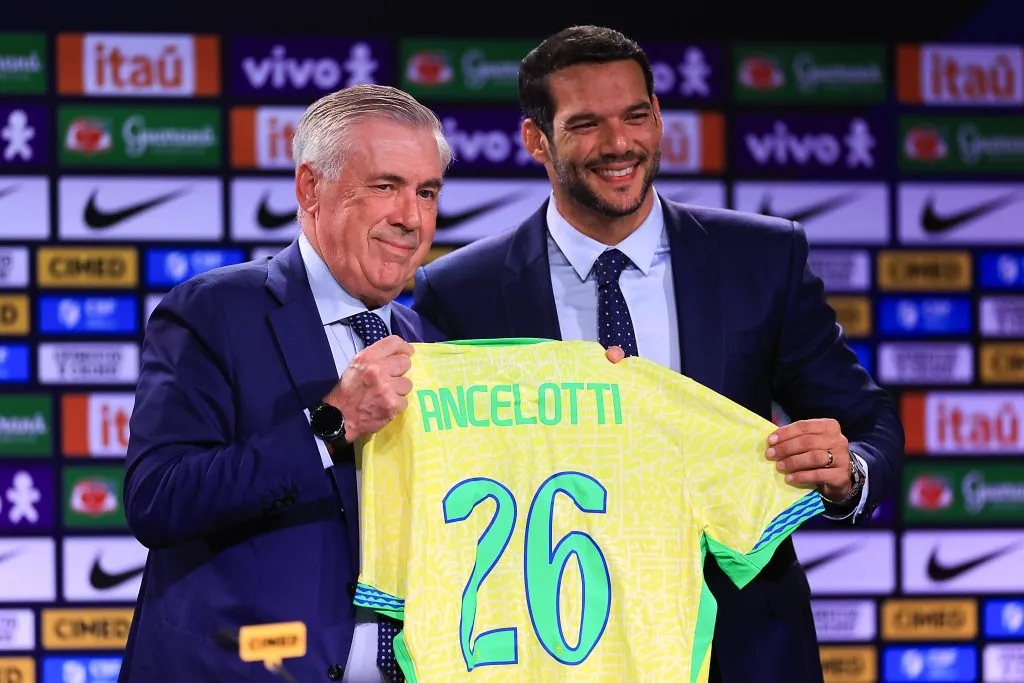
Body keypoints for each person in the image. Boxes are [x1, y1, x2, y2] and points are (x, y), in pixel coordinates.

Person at [412, 26, 904, 683]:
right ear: (537, 140)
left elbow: (870, 424)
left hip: (741, 645)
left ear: (658, 116)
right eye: (585, 123)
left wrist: (849, 474)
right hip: (556, 647)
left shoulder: (762, 258)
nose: (620, 144)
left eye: (636, 115)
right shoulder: (460, 292)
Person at [120, 84, 452, 683]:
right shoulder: (213, 312)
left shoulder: (431, 342)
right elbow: (158, 499)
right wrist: (330, 426)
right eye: (386, 186)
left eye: (426, 192)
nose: (411, 217)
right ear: (310, 189)